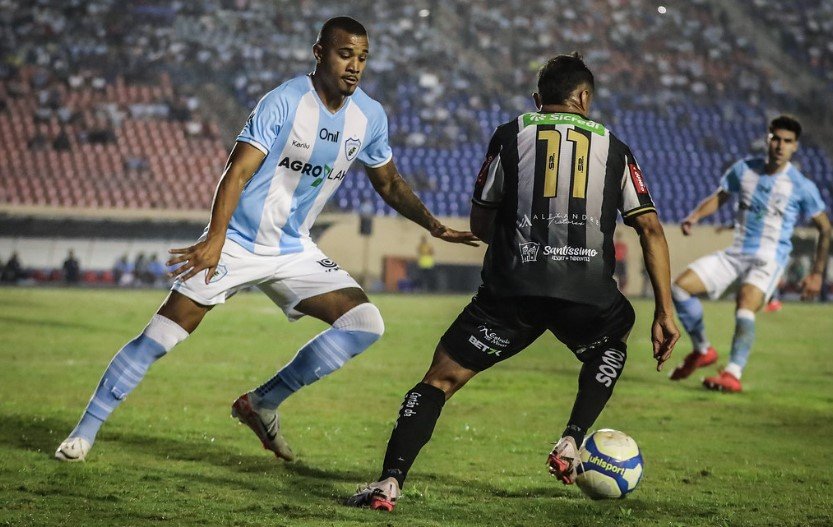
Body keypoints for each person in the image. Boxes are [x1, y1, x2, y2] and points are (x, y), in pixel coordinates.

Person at [55, 16, 478, 463]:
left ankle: (261, 403)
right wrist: (216, 238)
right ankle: (83, 435)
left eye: (362, 57)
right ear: (319, 53)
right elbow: (236, 172)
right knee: (161, 335)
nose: (354, 66)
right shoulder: (284, 101)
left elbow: (389, 183)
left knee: (365, 324)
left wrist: (432, 224)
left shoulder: (369, 116)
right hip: (237, 241)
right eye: (344, 54)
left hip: (294, 249)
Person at [347, 53, 679, 511]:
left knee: (438, 381)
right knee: (612, 337)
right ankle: (571, 440)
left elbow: (479, 222)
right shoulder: (616, 148)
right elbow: (651, 229)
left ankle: (389, 483)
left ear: (538, 99)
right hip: (585, 295)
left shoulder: (511, 134)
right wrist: (665, 311)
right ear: (584, 97)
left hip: (511, 294)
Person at [668, 115, 831, 393]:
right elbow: (721, 196)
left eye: (787, 141)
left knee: (745, 302)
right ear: (767, 139)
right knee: (680, 287)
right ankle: (703, 349)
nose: (780, 145)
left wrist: (816, 274)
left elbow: (825, 229)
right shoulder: (743, 170)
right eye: (776, 138)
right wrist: (694, 216)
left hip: (769, 258)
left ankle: (733, 373)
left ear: (795, 147)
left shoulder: (801, 186)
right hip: (736, 253)